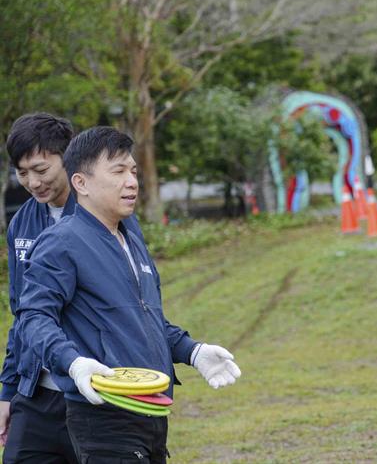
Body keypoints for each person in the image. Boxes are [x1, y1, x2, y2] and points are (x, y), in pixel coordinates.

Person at [16, 126, 241, 463]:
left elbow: (144, 319)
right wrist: (74, 363)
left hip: (150, 410)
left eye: (133, 171)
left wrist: (194, 352)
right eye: (118, 171)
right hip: (104, 418)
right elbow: (33, 317)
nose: (132, 181)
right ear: (81, 183)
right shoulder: (61, 242)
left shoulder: (130, 239)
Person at [1, 113, 103, 463]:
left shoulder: (102, 215)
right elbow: (22, 313)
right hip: (37, 392)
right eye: (22, 172)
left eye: (41, 170)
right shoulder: (21, 224)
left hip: (93, 392)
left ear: (68, 159)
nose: (32, 182)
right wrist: (7, 391)